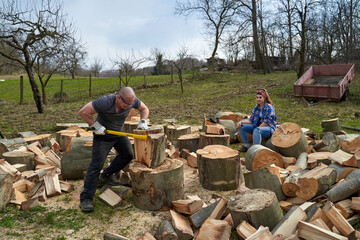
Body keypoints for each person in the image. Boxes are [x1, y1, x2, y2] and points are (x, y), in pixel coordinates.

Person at [78, 87, 149, 212]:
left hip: (118, 134)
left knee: (127, 154)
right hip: (102, 136)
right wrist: (95, 126)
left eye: (130, 104)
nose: (128, 107)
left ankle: (106, 175)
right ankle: (86, 199)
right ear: (118, 98)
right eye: (126, 104)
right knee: (96, 165)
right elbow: (83, 112)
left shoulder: (132, 100)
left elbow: (144, 108)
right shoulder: (105, 101)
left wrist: (143, 121)